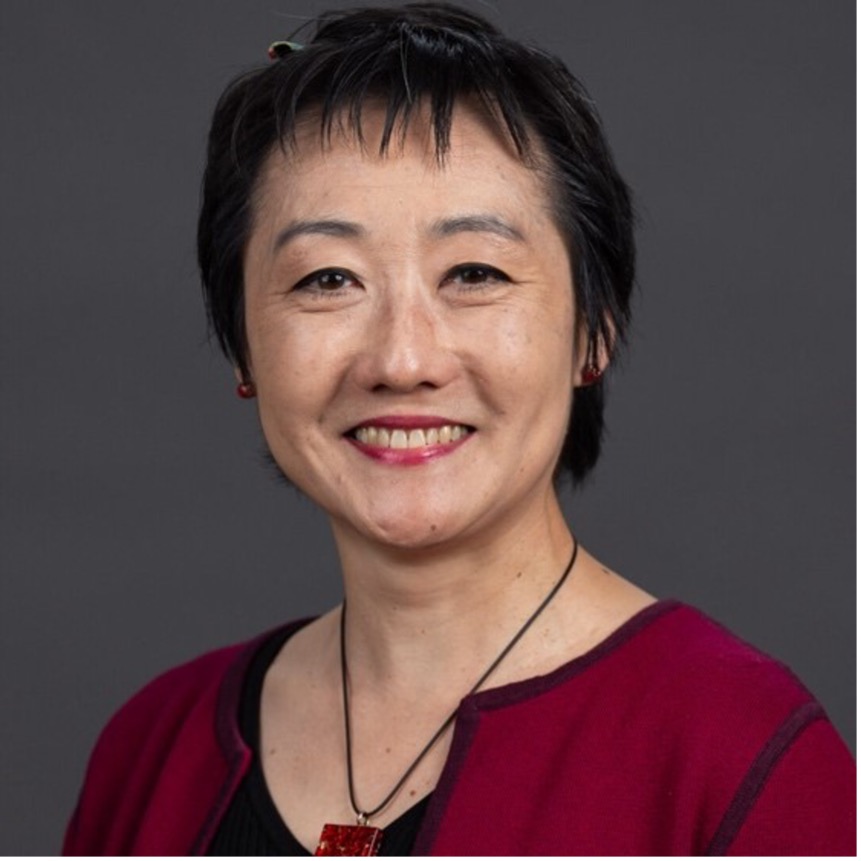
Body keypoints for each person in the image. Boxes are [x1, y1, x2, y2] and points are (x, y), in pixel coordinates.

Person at [62, 3, 854, 856]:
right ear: (242, 345)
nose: (402, 359)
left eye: (474, 271)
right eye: (327, 278)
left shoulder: (742, 756)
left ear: (594, 329)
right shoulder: (150, 749)